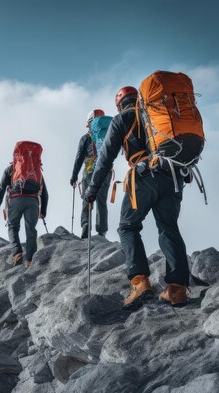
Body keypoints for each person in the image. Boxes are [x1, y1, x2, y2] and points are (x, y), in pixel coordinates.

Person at [84, 86, 190, 309]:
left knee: (128, 227)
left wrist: (92, 190)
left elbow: (105, 159)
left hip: (143, 176)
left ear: (119, 105)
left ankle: (140, 282)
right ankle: (177, 290)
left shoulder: (123, 119)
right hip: (173, 176)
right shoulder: (158, 115)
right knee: (168, 228)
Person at [0, 141, 49, 268]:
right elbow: (45, 193)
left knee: (13, 226)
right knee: (31, 230)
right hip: (33, 201)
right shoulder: (36, 171)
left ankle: (17, 253)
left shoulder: (11, 170)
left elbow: (1, 189)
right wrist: (43, 211)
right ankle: (29, 260)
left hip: (16, 199)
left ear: (16, 155)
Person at [70, 109, 112, 238]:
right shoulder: (108, 134)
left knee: (86, 198)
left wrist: (74, 175)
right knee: (101, 200)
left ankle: (86, 225)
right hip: (105, 169)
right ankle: (102, 231)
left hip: (89, 169)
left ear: (89, 123)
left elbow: (79, 157)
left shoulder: (85, 137)